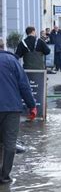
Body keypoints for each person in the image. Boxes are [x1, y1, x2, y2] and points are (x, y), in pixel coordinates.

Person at [0, 39, 37, 184]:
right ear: (4, 47)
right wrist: (32, 105)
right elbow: (24, 85)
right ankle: (4, 177)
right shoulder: (12, 61)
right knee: (10, 143)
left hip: (10, 107)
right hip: (12, 108)